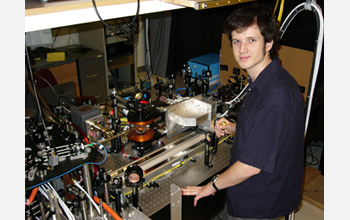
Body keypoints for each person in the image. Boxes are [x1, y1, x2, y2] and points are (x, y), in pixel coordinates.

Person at [182, 3, 305, 220]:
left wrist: (210, 186)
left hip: (258, 202)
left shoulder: (276, 95)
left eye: (251, 40)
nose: (242, 49)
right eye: (237, 41)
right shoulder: (264, 81)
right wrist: (236, 128)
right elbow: (269, 133)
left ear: (269, 43)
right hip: (253, 194)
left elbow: (250, 167)